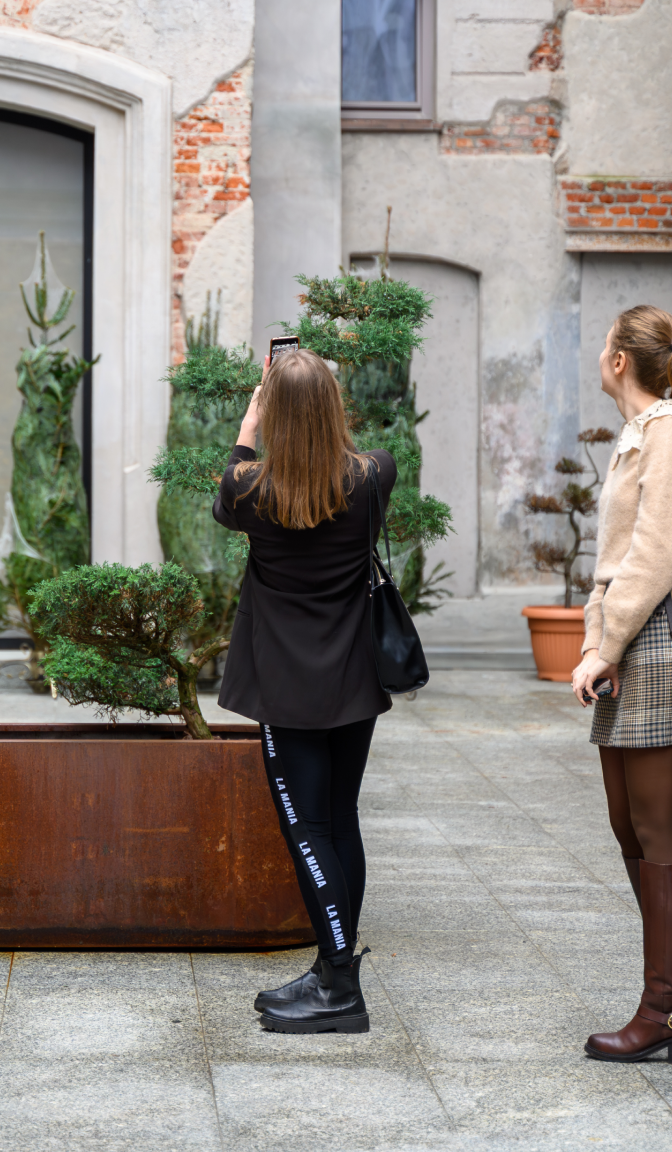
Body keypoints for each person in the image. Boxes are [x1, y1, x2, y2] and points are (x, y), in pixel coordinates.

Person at [568, 305, 672, 1066]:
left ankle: (667, 1008)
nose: (601, 354)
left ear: (619, 361)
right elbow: (616, 557)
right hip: (634, 633)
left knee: (656, 824)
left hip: (658, 632)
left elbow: (657, 554)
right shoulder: (640, 432)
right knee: (627, 820)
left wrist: (605, 646)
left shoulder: (665, 430)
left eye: (606, 343)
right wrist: (594, 642)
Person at [213, 348, 393, 1035]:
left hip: (285, 686)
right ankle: (329, 969)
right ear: (333, 408)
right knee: (341, 818)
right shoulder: (375, 476)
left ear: (274, 413)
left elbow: (228, 487)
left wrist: (249, 423)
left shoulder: (248, 493)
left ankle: (340, 984)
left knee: (307, 826)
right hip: (353, 678)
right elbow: (354, 459)